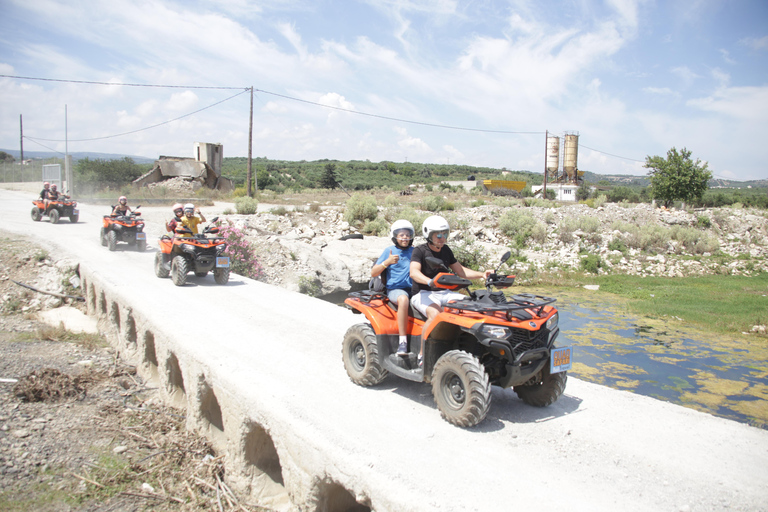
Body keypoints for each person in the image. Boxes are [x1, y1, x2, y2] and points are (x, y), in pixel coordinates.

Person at [410, 215, 491, 367]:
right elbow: (414, 272)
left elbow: (461, 272)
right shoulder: (419, 251)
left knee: (471, 307)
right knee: (435, 314)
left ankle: (467, 348)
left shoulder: (446, 250)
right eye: (438, 235)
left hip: (444, 293)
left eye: (445, 234)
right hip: (423, 293)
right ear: (428, 234)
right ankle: (423, 355)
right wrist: (429, 281)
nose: (442, 238)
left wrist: (482, 274)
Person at [371, 220, 415, 356]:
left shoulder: (415, 251)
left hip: (414, 289)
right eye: (401, 235)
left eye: (407, 235)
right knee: (403, 299)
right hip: (396, 289)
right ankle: (403, 342)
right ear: (395, 236)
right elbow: (373, 272)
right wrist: (387, 262)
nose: (405, 238)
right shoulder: (389, 251)